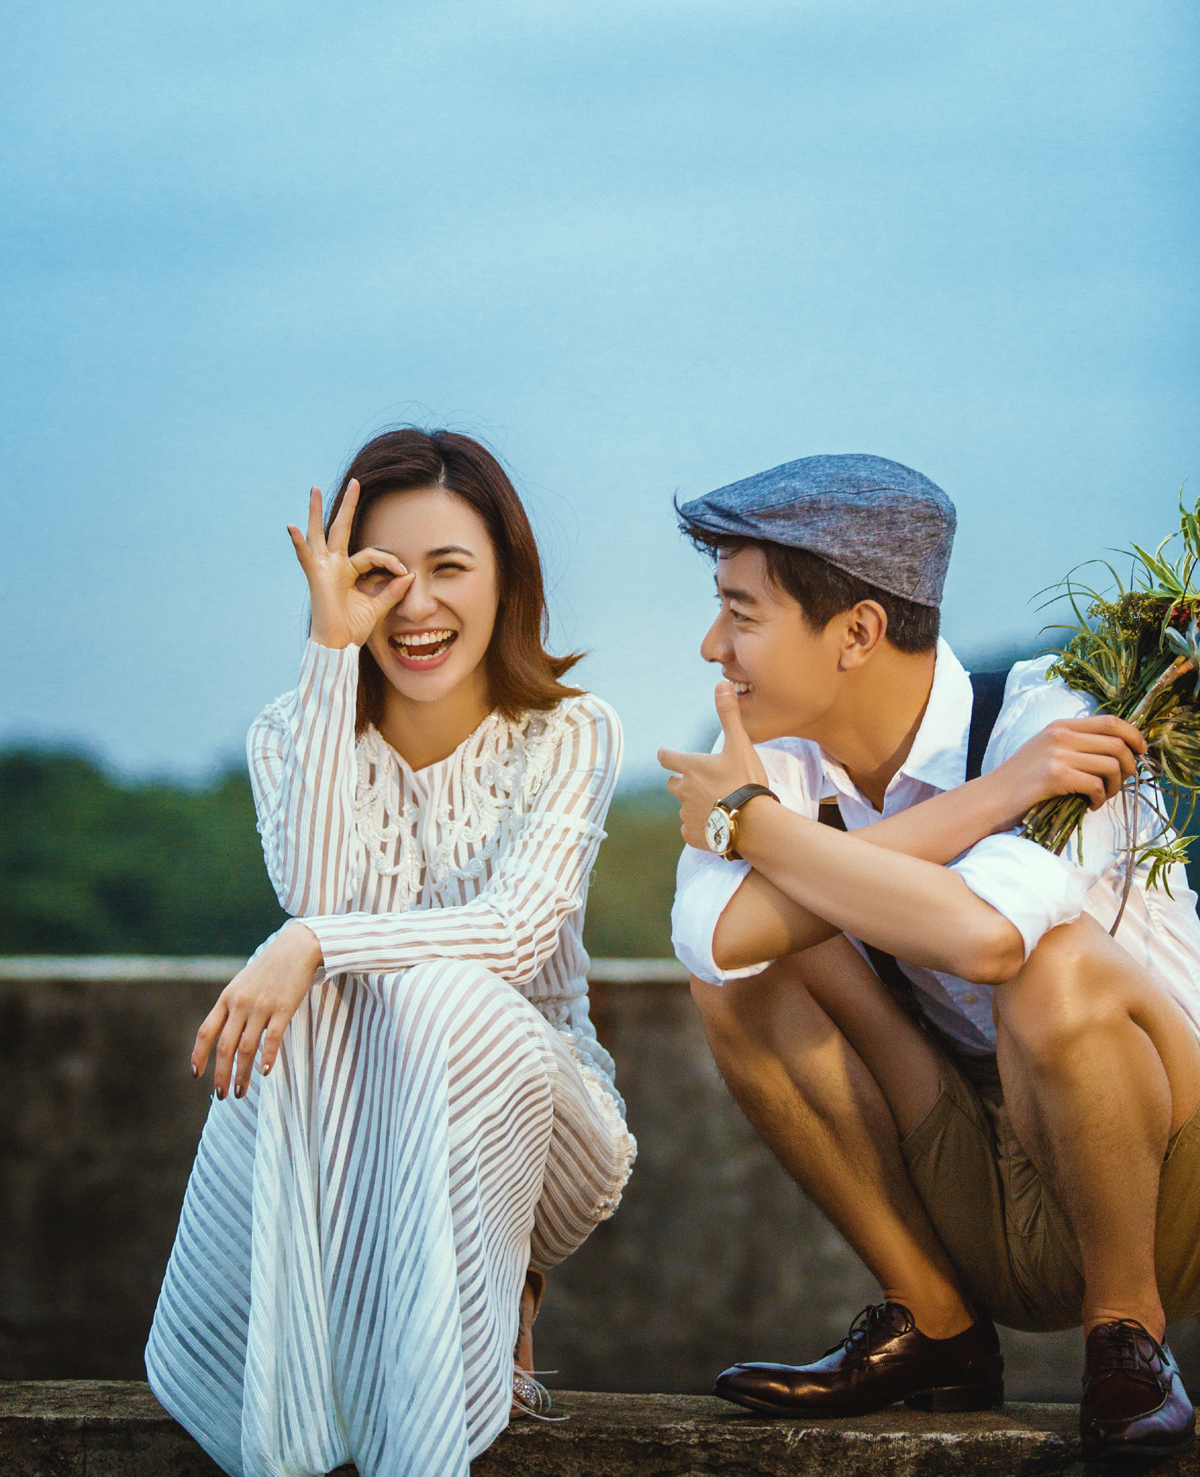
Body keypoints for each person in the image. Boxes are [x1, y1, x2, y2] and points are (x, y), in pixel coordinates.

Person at [659, 454, 1200, 1465]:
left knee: (1053, 968)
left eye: (741, 612)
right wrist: (993, 799)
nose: (712, 645)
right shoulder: (774, 765)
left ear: (858, 631)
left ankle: (1128, 1335)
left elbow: (988, 939)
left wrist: (755, 828)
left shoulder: (1056, 718)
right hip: (972, 1168)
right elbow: (714, 941)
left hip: (1167, 1168)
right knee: (748, 974)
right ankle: (935, 1324)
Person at [146, 429, 635, 1477]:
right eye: (381, 573)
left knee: (427, 993)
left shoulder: (570, 731)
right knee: (317, 996)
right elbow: (318, 898)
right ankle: (306, 1417)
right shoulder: (286, 735)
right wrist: (332, 651)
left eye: (450, 567)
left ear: (506, 579)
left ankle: (439, 1392)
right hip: (355, 1141)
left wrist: (312, 941)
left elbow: (515, 933)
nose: (415, 605)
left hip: (544, 1127)